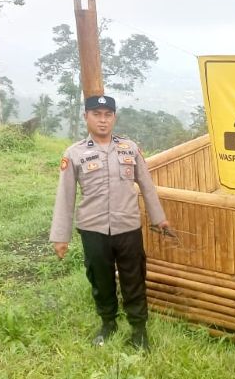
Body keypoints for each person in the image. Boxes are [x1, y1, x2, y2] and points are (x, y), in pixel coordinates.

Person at [50, 95, 169, 352]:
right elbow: (65, 196)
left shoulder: (130, 148)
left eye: (107, 115)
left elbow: (147, 186)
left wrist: (159, 218)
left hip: (128, 227)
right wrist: (60, 236)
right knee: (100, 279)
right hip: (93, 229)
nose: (102, 120)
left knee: (134, 278)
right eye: (96, 114)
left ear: (114, 117)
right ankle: (108, 323)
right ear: (86, 117)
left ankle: (139, 329)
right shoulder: (74, 153)